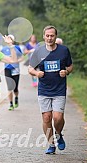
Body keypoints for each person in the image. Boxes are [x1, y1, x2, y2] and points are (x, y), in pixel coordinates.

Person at [28, 25, 73, 154]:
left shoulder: (64, 50)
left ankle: (58, 134)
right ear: (43, 37)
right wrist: (36, 74)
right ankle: (51, 144)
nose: (49, 38)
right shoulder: (39, 51)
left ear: (55, 36)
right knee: (47, 118)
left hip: (59, 89)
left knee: (58, 118)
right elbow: (30, 68)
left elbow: (70, 66)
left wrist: (66, 71)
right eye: (47, 36)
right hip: (44, 90)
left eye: (52, 35)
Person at [1, 34, 23, 110]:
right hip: (7, 69)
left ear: (13, 40)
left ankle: (16, 97)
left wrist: (16, 61)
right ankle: (10, 104)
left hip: (15, 69)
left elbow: (22, 58)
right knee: (10, 87)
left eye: (10, 39)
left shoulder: (17, 48)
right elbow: (1, 58)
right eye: (8, 38)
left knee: (15, 88)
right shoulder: (3, 49)